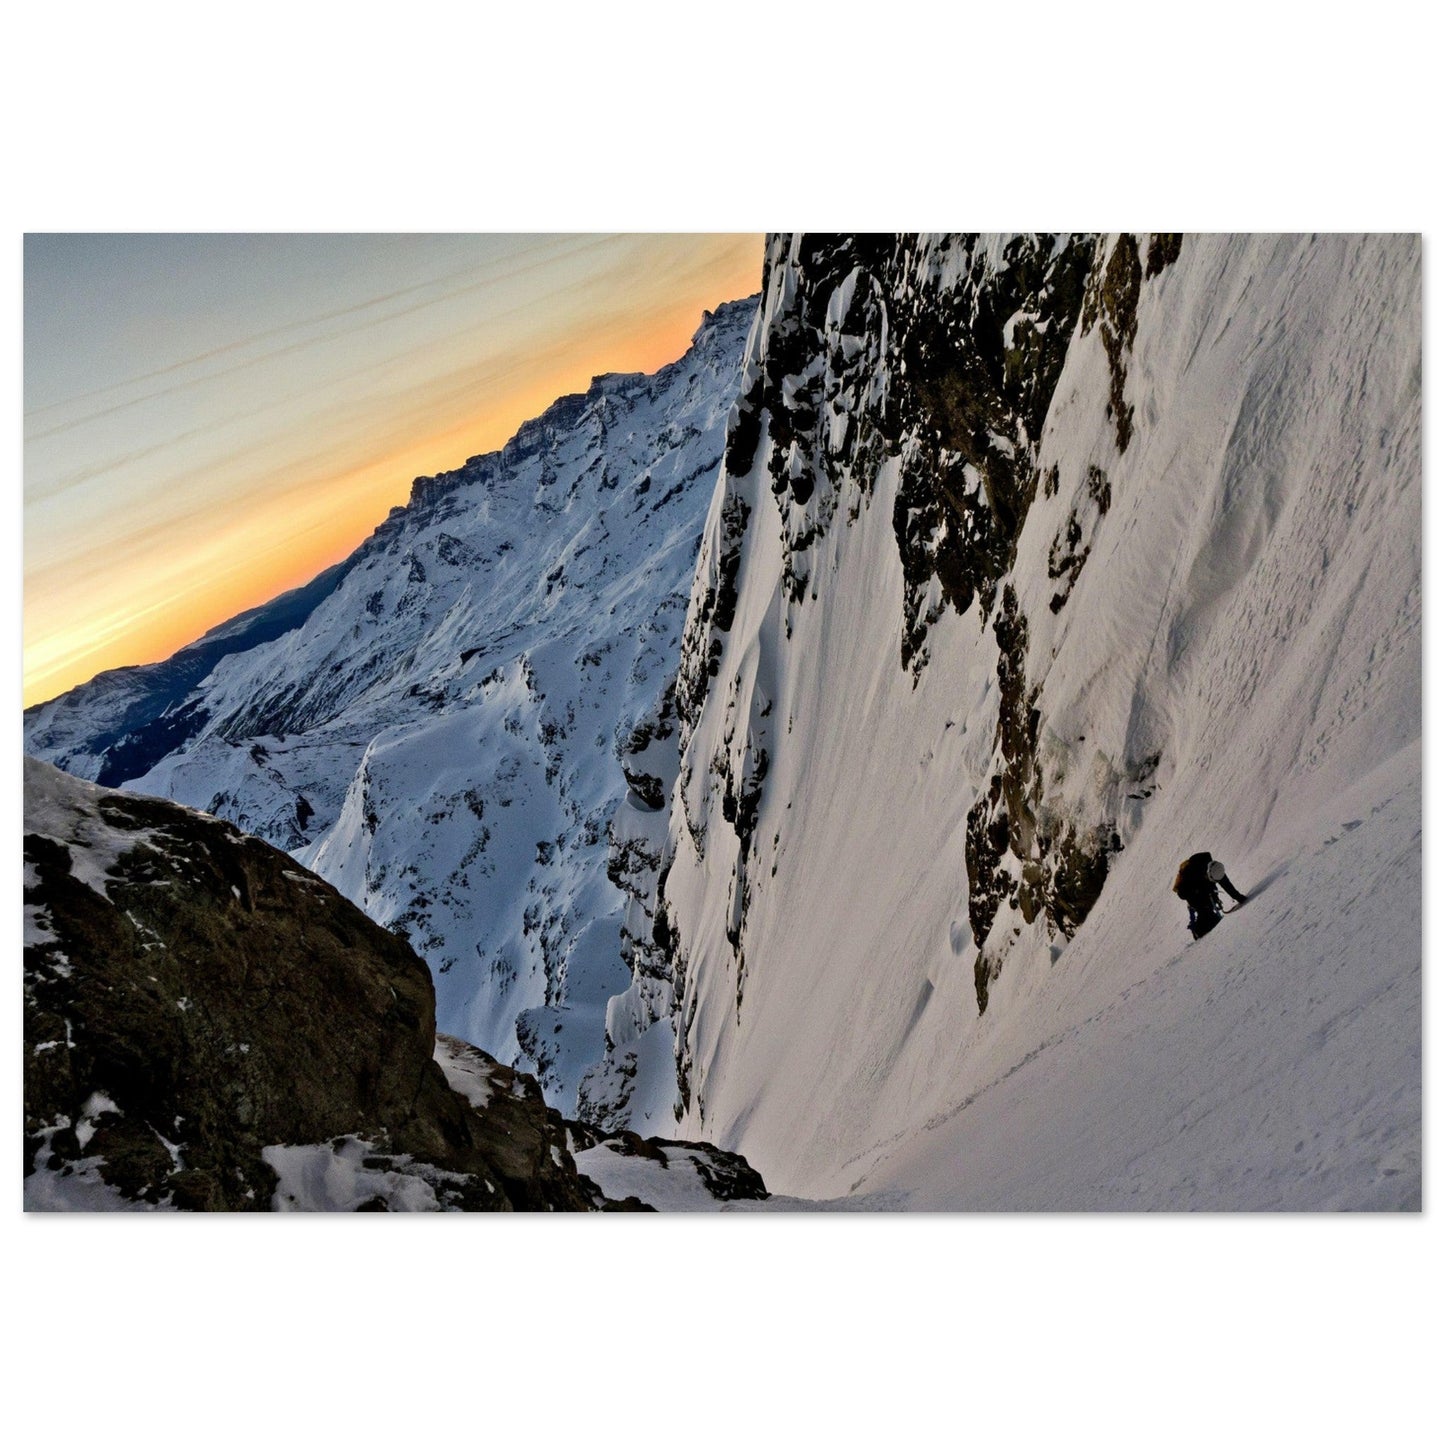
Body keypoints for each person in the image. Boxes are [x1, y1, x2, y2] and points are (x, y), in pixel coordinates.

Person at [1172, 852, 1247, 939]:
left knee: (1210, 907)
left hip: (1205, 887)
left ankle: (1208, 919)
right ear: (1207, 874)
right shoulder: (1190, 873)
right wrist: (1196, 892)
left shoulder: (1216, 869)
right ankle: (1198, 931)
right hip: (1192, 893)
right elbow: (1182, 894)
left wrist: (1238, 897)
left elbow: (1226, 884)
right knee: (1205, 912)